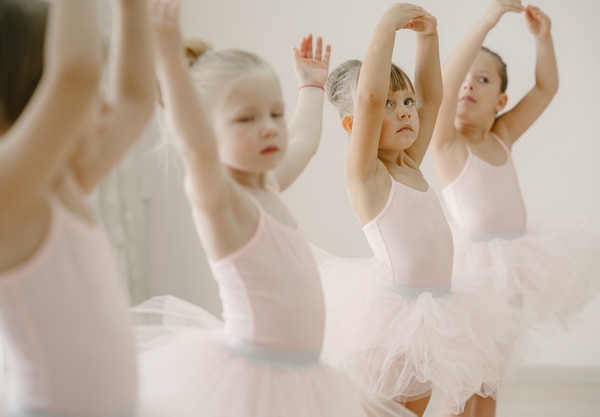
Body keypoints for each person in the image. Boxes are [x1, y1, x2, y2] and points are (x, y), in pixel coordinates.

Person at [131, 1, 414, 416]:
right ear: (206, 128)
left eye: (275, 113)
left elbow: (303, 142)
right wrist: (171, 66)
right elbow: (196, 148)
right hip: (257, 377)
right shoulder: (221, 200)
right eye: (246, 118)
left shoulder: (268, 184)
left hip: (303, 372)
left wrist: (312, 88)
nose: (268, 126)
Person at [322, 3, 520, 416]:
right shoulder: (368, 175)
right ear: (353, 126)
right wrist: (387, 27)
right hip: (396, 321)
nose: (405, 111)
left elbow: (433, 96)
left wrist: (428, 38)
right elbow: (370, 96)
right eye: (389, 107)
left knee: (434, 403)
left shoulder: (409, 163)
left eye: (406, 102)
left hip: (437, 314)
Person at [430, 0, 600, 415]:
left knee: (490, 378)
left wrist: (542, 41)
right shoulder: (447, 145)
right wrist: (487, 21)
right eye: (463, 79)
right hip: (471, 275)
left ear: (501, 101)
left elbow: (546, 89)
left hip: (510, 273)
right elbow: (446, 78)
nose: (468, 86)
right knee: (462, 378)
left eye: (483, 79)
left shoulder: (501, 136)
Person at [0, 0, 155, 415]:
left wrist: (132, 10)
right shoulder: (10, 195)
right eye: (93, 93)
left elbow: (137, 100)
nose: (106, 104)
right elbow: (76, 75)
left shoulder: (64, 183)